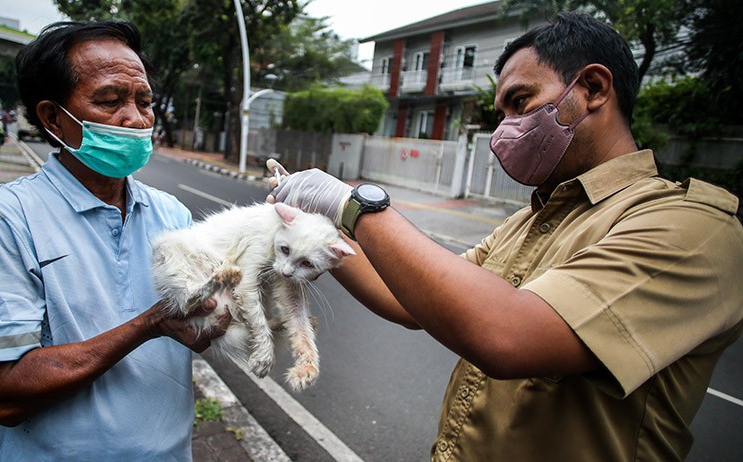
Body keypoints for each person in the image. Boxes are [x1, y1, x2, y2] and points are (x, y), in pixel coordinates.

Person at [267, 12, 743, 461]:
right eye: (501, 114)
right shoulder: (530, 220)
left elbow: (506, 335)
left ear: (594, 88)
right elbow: (408, 301)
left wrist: (355, 205)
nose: (504, 132)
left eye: (520, 102)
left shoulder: (692, 226)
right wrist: (312, 230)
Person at [0, 20, 231, 461]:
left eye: (144, 101)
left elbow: (199, 328)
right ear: (53, 118)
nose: (136, 119)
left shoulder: (170, 213)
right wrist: (150, 323)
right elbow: (3, 394)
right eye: (110, 100)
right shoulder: (3, 220)